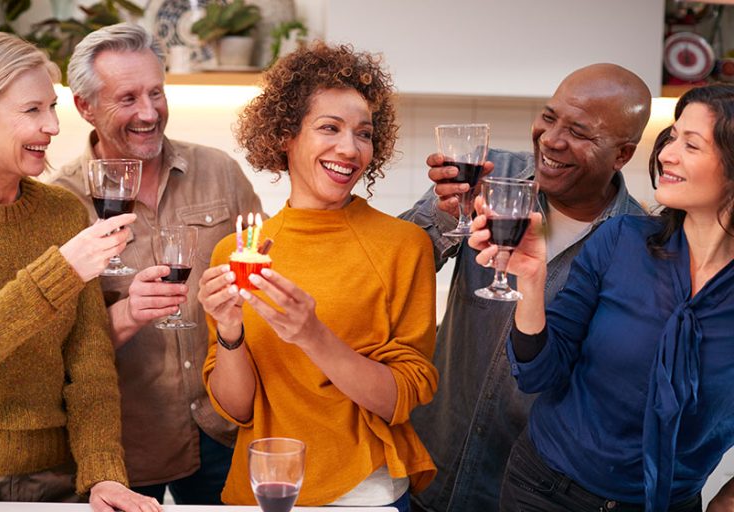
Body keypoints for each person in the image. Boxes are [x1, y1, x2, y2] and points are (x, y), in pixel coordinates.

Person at [197, 41, 438, 511]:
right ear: (286, 135)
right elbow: (239, 409)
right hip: (264, 492)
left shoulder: (404, 246)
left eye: (363, 134)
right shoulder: (238, 252)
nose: (349, 149)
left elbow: (402, 398)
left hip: (364, 495)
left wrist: (312, 335)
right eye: (330, 128)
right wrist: (229, 334)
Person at [401, 63, 652, 512]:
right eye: (550, 117)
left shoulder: (637, 244)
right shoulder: (490, 178)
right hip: (428, 462)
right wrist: (447, 217)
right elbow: (395, 271)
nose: (552, 139)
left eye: (580, 132)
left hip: (524, 492)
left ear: (623, 154)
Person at [474, 83, 734, 511]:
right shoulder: (621, 241)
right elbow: (539, 374)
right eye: (672, 137)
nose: (667, 153)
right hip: (543, 493)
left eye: (692, 145)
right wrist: (532, 280)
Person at [47, 23, 264, 504]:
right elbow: (53, 352)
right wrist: (127, 313)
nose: (148, 113)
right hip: (125, 442)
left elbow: (263, 264)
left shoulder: (218, 171)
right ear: (85, 107)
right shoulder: (60, 203)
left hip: (223, 429)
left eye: (156, 93)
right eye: (127, 98)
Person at [0, 31, 159, 512]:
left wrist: (104, 475)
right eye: (32, 110)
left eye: (52, 108)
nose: (53, 126)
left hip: (59, 480)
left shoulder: (61, 212)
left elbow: (89, 363)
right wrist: (61, 271)